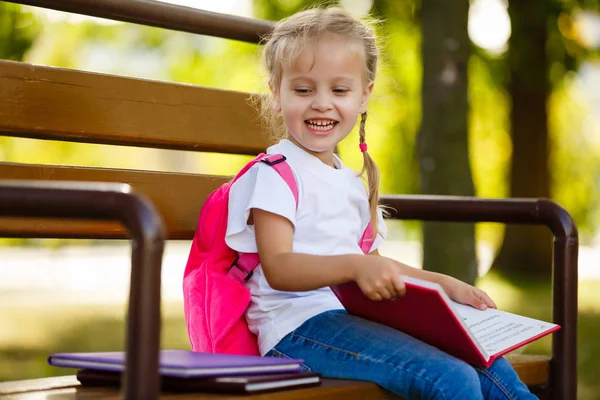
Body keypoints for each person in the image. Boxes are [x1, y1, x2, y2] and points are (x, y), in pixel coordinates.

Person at [225, 7, 536, 400]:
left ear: (364, 95)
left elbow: (377, 264)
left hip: (352, 318)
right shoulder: (274, 174)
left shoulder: (347, 180)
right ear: (276, 93)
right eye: (303, 90)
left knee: (489, 363)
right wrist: (356, 266)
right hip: (297, 329)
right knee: (452, 380)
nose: (322, 104)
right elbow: (280, 268)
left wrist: (445, 285)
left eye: (339, 90)